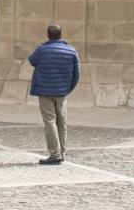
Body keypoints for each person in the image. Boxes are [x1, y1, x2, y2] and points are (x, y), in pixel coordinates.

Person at [28, 24, 80, 165]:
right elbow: (77, 74)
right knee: (61, 122)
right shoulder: (71, 50)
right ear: (61, 34)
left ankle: (55, 154)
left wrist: (41, 46)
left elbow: (31, 60)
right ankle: (62, 152)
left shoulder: (42, 49)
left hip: (45, 92)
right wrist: (68, 89)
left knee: (50, 122)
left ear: (48, 35)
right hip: (62, 92)